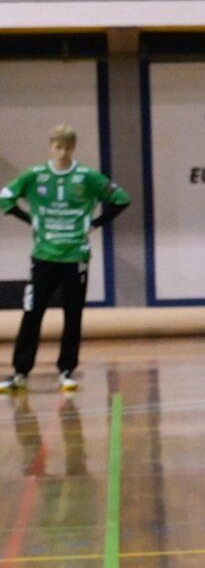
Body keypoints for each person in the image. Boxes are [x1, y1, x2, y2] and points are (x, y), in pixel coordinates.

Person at [0, 125, 131, 393]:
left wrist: (95, 224)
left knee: (73, 315)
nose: (62, 153)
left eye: (67, 147)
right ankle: (20, 372)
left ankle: (67, 370)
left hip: (75, 257)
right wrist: (30, 220)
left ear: (74, 148)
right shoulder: (36, 175)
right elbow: (5, 198)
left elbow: (121, 198)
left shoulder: (86, 177)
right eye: (58, 147)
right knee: (32, 314)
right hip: (44, 256)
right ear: (51, 146)